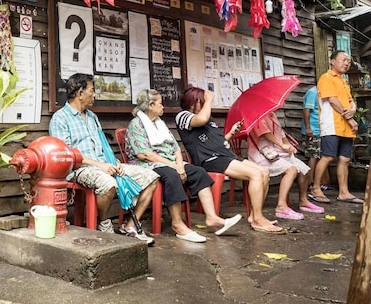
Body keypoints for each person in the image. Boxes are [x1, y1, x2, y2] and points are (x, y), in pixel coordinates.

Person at [49, 74, 159, 244]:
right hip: (80, 169)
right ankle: (104, 223)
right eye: (92, 91)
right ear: (80, 93)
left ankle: (130, 225)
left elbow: (103, 147)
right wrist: (99, 165)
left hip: (103, 164)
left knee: (151, 177)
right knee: (108, 183)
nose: (94, 95)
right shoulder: (60, 118)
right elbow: (67, 154)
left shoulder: (92, 117)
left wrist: (115, 163)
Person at [126, 89, 242, 243]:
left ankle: (212, 218)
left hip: (169, 162)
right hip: (148, 164)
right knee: (171, 175)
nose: (163, 107)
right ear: (150, 105)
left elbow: (175, 148)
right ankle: (177, 224)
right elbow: (145, 154)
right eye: (160, 104)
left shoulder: (160, 124)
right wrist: (174, 166)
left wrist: (179, 164)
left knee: (198, 172)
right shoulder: (137, 124)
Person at [176, 87, 291, 233]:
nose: (206, 103)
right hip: (211, 159)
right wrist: (210, 101)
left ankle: (254, 215)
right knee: (255, 175)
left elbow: (216, 141)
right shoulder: (182, 116)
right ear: (193, 103)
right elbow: (201, 119)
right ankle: (258, 220)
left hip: (224, 155)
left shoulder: (208, 120)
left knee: (264, 172)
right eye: (202, 101)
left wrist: (230, 134)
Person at [312, 51, 363, 205]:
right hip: (332, 124)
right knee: (328, 156)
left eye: (348, 60)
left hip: (345, 127)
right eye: (343, 60)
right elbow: (333, 100)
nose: (346, 63)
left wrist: (353, 109)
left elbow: (350, 101)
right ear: (333, 61)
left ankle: (344, 192)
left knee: (345, 159)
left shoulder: (343, 81)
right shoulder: (326, 78)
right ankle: (315, 188)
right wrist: (350, 118)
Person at [247, 112, 318, 220]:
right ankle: (281, 206)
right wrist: (282, 145)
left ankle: (303, 200)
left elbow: (281, 135)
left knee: (304, 169)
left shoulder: (271, 115)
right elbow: (264, 133)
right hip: (262, 154)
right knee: (291, 170)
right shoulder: (255, 114)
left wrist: (288, 145)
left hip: (277, 152)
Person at [302, 85, 333, 194]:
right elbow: (307, 110)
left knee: (321, 155)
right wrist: (308, 128)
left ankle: (321, 182)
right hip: (313, 129)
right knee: (313, 156)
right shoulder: (312, 92)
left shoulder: (324, 93)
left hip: (322, 129)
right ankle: (310, 182)